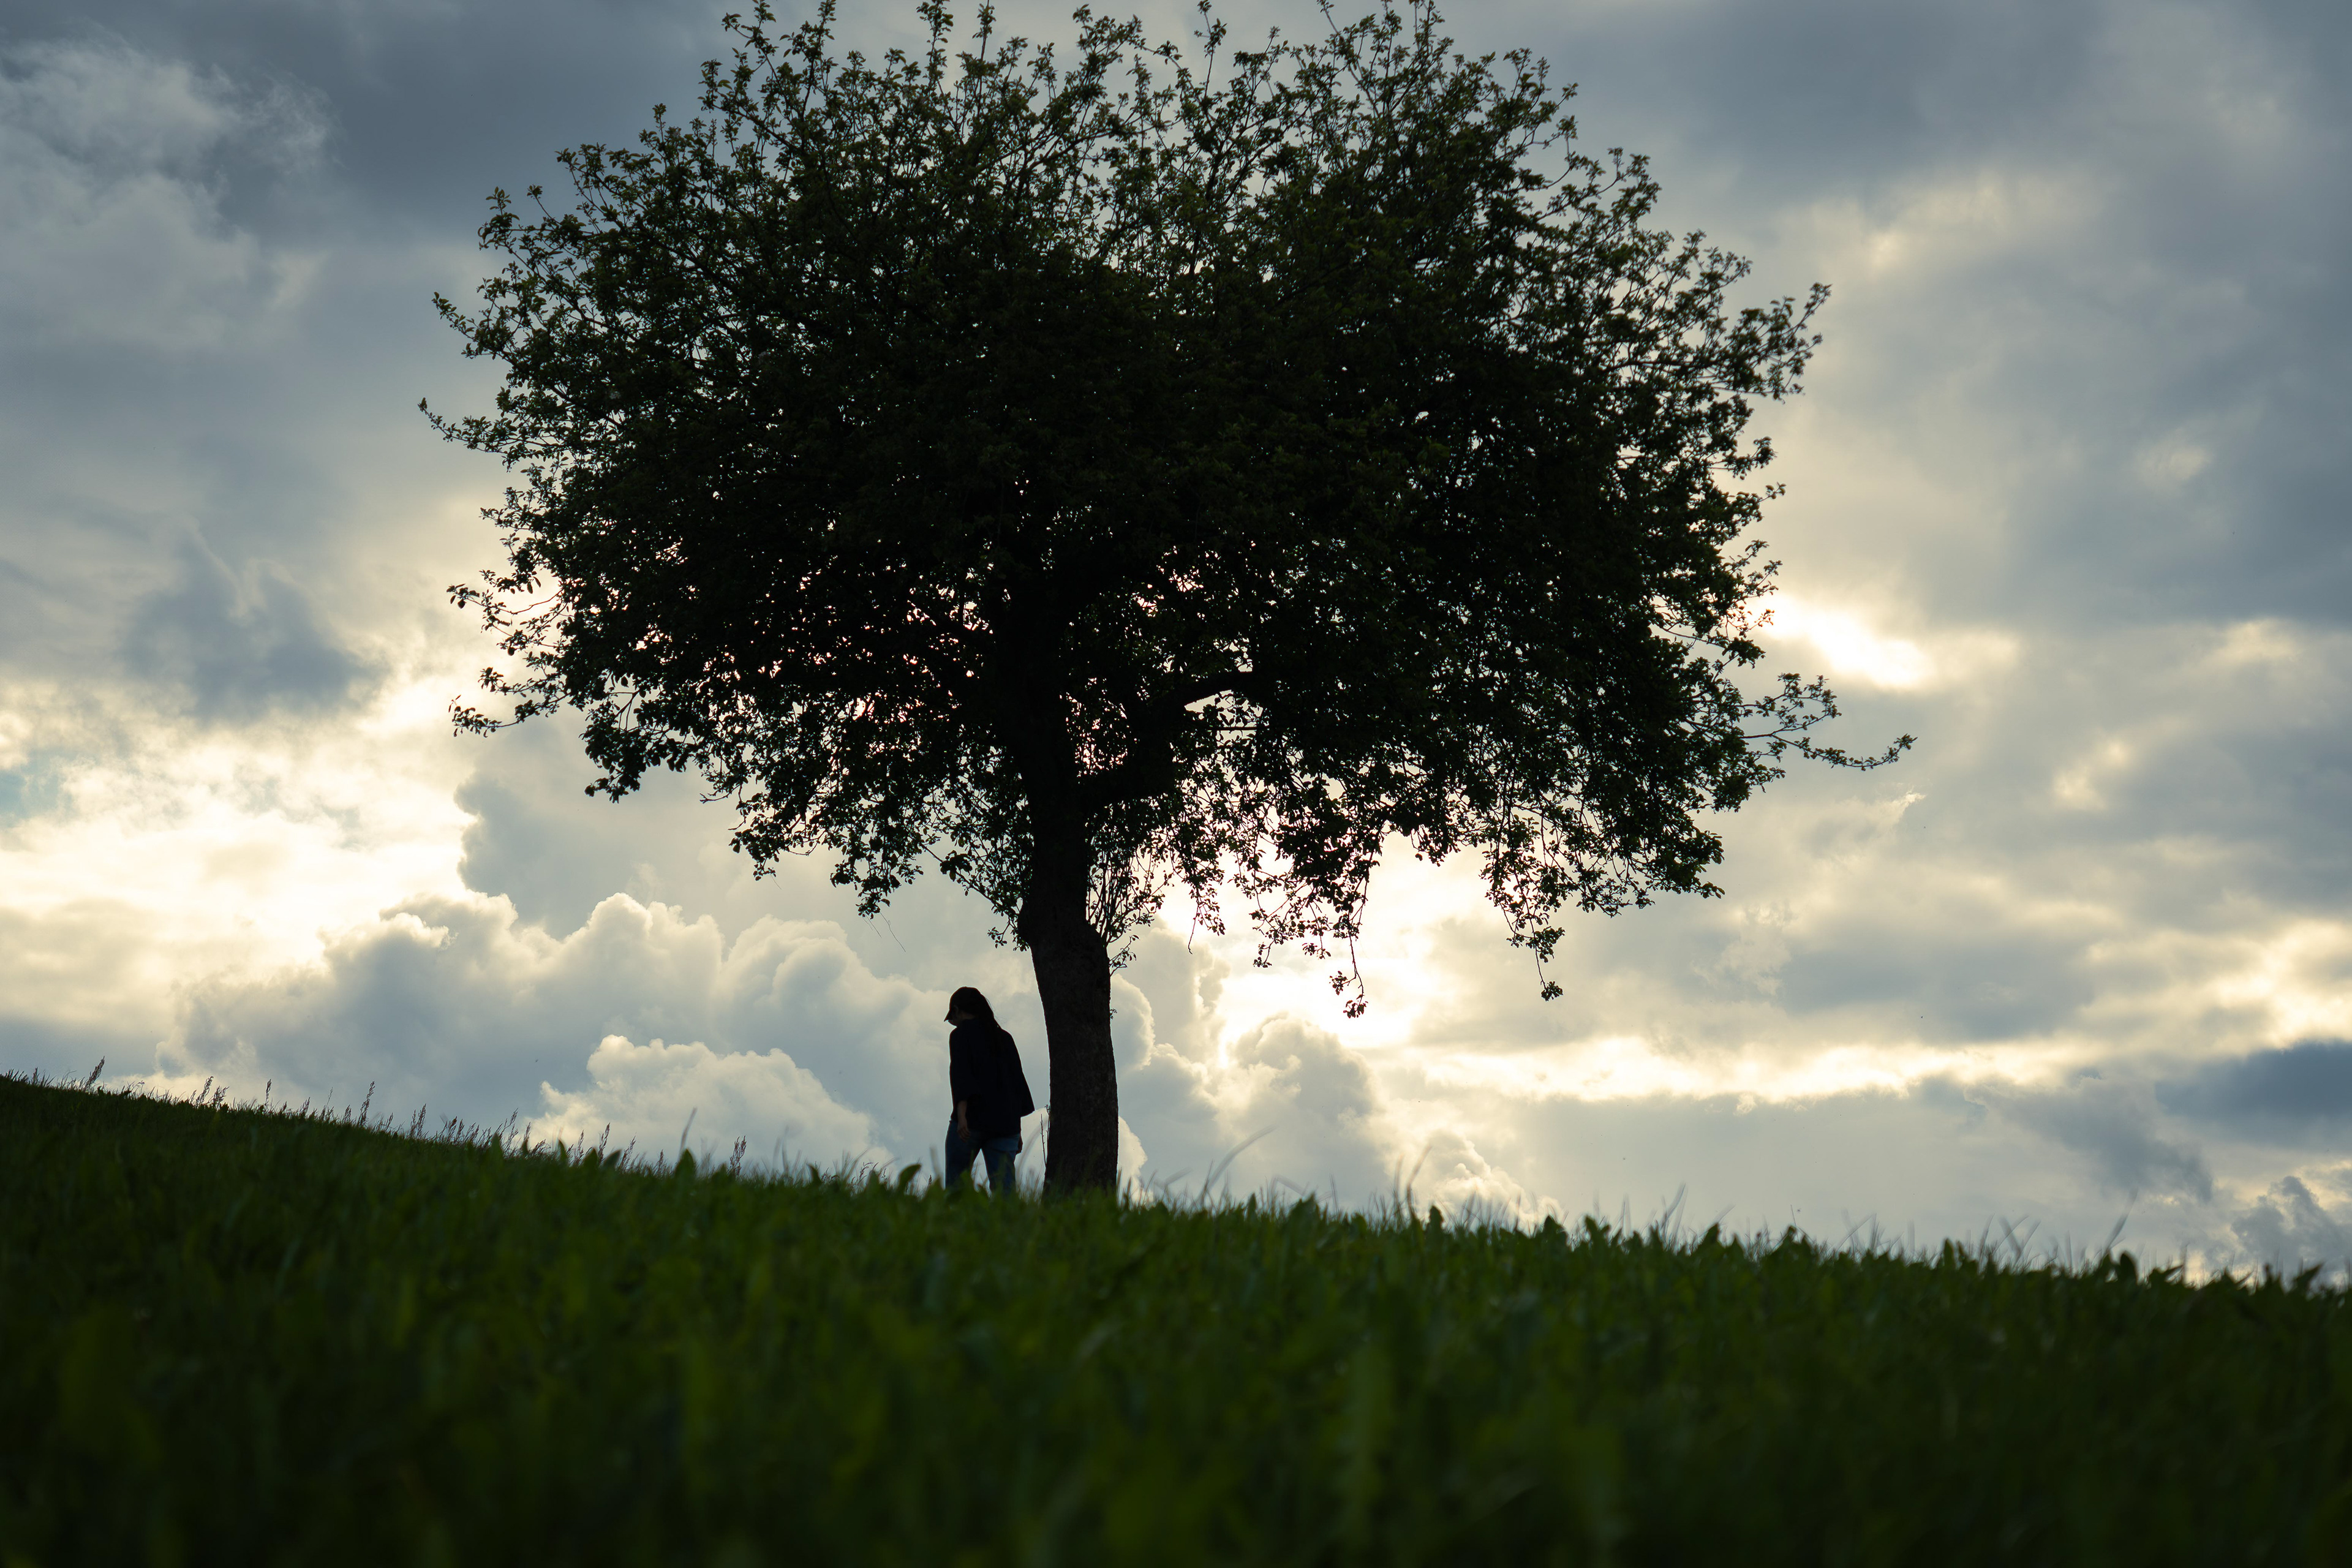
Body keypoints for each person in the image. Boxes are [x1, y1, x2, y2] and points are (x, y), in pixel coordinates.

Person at [943, 986, 1034, 1195]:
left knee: (956, 1188)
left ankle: (955, 1226)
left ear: (957, 1010)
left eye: (952, 1017)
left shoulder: (960, 1036)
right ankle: (1009, 1227)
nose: (953, 1023)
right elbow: (1015, 1084)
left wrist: (962, 1116)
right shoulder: (1005, 1038)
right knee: (1006, 1191)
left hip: (971, 1121)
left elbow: (961, 1075)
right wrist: (1016, 1129)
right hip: (1006, 1125)